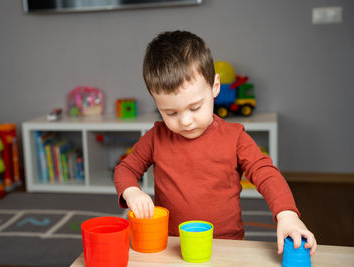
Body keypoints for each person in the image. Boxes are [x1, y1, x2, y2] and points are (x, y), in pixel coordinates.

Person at [114, 30, 317, 256]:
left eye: (194, 107)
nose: (185, 121)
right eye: (170, 113)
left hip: (225, 245)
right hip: (172, 244)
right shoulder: (156, 137)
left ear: (215, 86)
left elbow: (266, 173)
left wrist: (287, 215)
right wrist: (132, 191)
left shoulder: (235, 138)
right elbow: (125, 168)